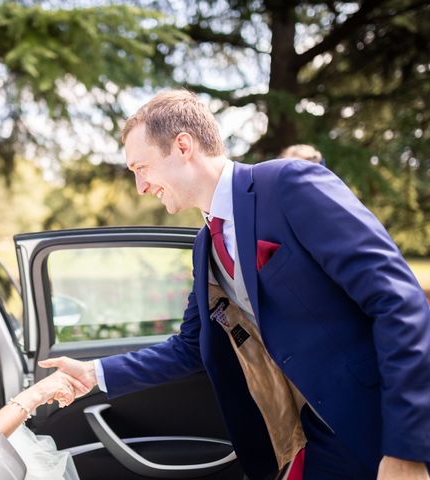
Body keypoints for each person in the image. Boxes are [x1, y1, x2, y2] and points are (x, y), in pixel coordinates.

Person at [39, 90, 430, 479]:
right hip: (316, 432)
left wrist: (406, 449)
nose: (141, 186)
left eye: (141, 167)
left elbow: (398, 302)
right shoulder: (204, 244)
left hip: (382, 423)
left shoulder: (288, 185)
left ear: (183, 146)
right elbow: (191, 346)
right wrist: (94, 374)